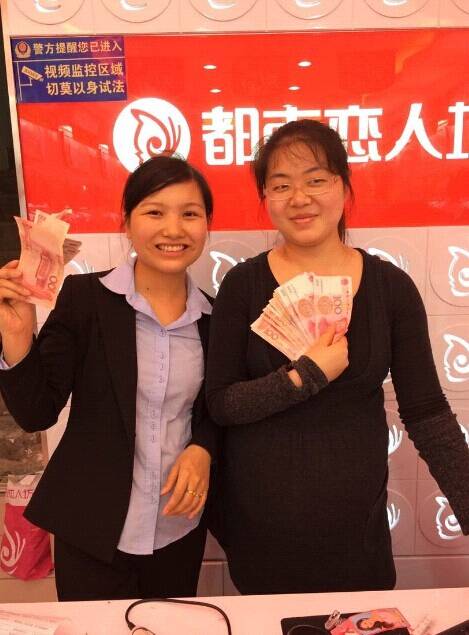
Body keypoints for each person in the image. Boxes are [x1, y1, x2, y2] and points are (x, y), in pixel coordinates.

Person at [206, 119, 469, 594]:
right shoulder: (242, 286)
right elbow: (221, 403)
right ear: (265, 198)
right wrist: (304, 376)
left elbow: (427, 412)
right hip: (262, 531)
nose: (299, 198)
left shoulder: (390, 288)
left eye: (316, 180)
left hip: (356, 532)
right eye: (280, 185)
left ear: (344, 188)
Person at [0, 155, 218, 601]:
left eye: (189, 214)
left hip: (178, 527)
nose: (173, 229)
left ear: (206, 225)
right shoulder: (85, 299)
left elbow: (218, 407)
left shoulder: (216, 318)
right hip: (91, 528)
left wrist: (203, 448)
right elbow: (37, 412)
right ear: (127, 222)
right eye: (154, 212)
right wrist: (18, 336)